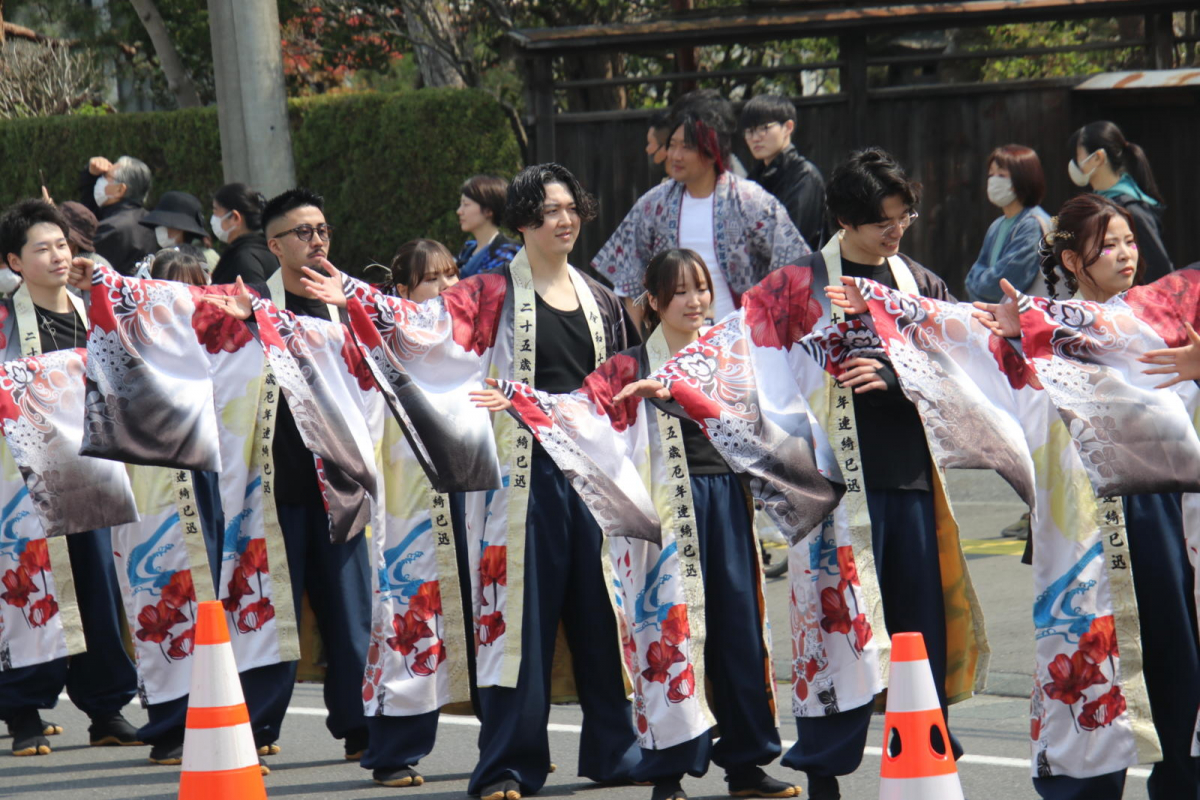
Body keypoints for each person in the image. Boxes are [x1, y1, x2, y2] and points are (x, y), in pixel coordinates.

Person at [303, 163, 642, 800]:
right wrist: (354, 294)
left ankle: (616, 750)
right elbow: (424, 327)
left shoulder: (600, 299)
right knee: (519, 626)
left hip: (592, 477)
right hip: (519, 484)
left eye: (571, 207)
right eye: (550, 209)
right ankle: (510, 764)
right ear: (522, 220)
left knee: (602, 617)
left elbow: (618, 378)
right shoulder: (490, 293)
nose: (564, 219)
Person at [472, 248, 805, 800]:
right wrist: (516, 397)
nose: (695, 301)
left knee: (740, 633)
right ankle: (667, 773)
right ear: (652, 301)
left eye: (701, 288)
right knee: (667, 636)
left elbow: (776, 408)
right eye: (679, 292)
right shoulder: (628, 366)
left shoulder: (730, 352)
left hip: (725, 502)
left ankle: (746, 763)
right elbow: (576, 409)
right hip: (664, 516)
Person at [779, 148, 986, 800]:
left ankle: (929, 758)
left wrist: (898, 378)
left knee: (917, 629)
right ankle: (824, 775)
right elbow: (759, 374)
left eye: (905, 216)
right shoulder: (797, 286)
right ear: (844, 220)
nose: (896, 230)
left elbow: (963, 367)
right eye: (882, 221)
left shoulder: (919, 283)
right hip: (833, 492)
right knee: (837, 629)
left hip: (911, 481)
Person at [0, 199, 140, 757]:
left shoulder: (95, 311)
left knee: (97, 593)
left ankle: (106, 707)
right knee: (32, 594)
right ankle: (24, 712)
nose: (58, 255)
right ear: (14, 261)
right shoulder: (6, 324)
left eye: (62, 243)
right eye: (42, 247)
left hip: (96, 474)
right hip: (23, 486)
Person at [255, 188, 372, 762]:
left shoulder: (350, 305)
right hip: (274, 489)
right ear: (274, 245)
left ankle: (360, 728)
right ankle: (255, 731)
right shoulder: (252, 308)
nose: (318, 240)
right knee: (271, 613)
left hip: (341, 486)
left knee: (352, 617)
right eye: (303, 232)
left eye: (322, 228)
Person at [594, 98, 810, 328]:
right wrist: (633, 351)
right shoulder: (653, 204)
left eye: (686, 147)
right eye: (672, 145)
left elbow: (797, 267)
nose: (675, 155)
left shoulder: (751, 201)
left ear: (711, 150)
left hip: (742, 342)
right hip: (674, 347)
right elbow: (629, 284)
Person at [1068, 120, 1173, 281]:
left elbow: (1160, 271)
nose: (1073, 164)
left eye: (1077, 156)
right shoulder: (1100, 202)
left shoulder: (1131, 209)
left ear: (1097, 157)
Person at [965, 145, 1052, 303]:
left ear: (1023, 179)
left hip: (1026, 321)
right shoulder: (997, 226)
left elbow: (1003, 284)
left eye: (1001, 175)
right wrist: (980, 284)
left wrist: (978, 284)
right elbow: (974, 276)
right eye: (991, 174)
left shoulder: (1032, 225)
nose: (993, 180)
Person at [741, 94, 828, 250]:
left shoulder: (804, 176)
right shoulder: (754, 178)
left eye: (763, 128)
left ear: (788, 127)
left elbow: (794, 239)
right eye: (749, 130)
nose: (754, 138)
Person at [79, 155, 158, 274]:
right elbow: (91, 210)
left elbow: (81, 263)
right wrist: (90, 175)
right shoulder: (150, 220)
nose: (99, 180)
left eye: (105, 176)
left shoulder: (111, 228)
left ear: (120, 189)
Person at [208, 182, 277, 286]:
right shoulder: (267, 249)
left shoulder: (244, 258)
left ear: (235, 217)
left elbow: (253, 298)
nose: (213, 218)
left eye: (216, 211)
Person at [455, 175, 520, 279]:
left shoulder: (507, 253)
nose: (459, 211)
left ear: (488, 211)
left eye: (466, 204)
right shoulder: (467, 250)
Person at [138, 191, 219, 272]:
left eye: (167, 225)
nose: (160, 229)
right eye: (158, 225)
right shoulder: (157, 257)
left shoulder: (206, 258)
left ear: (181, 229)